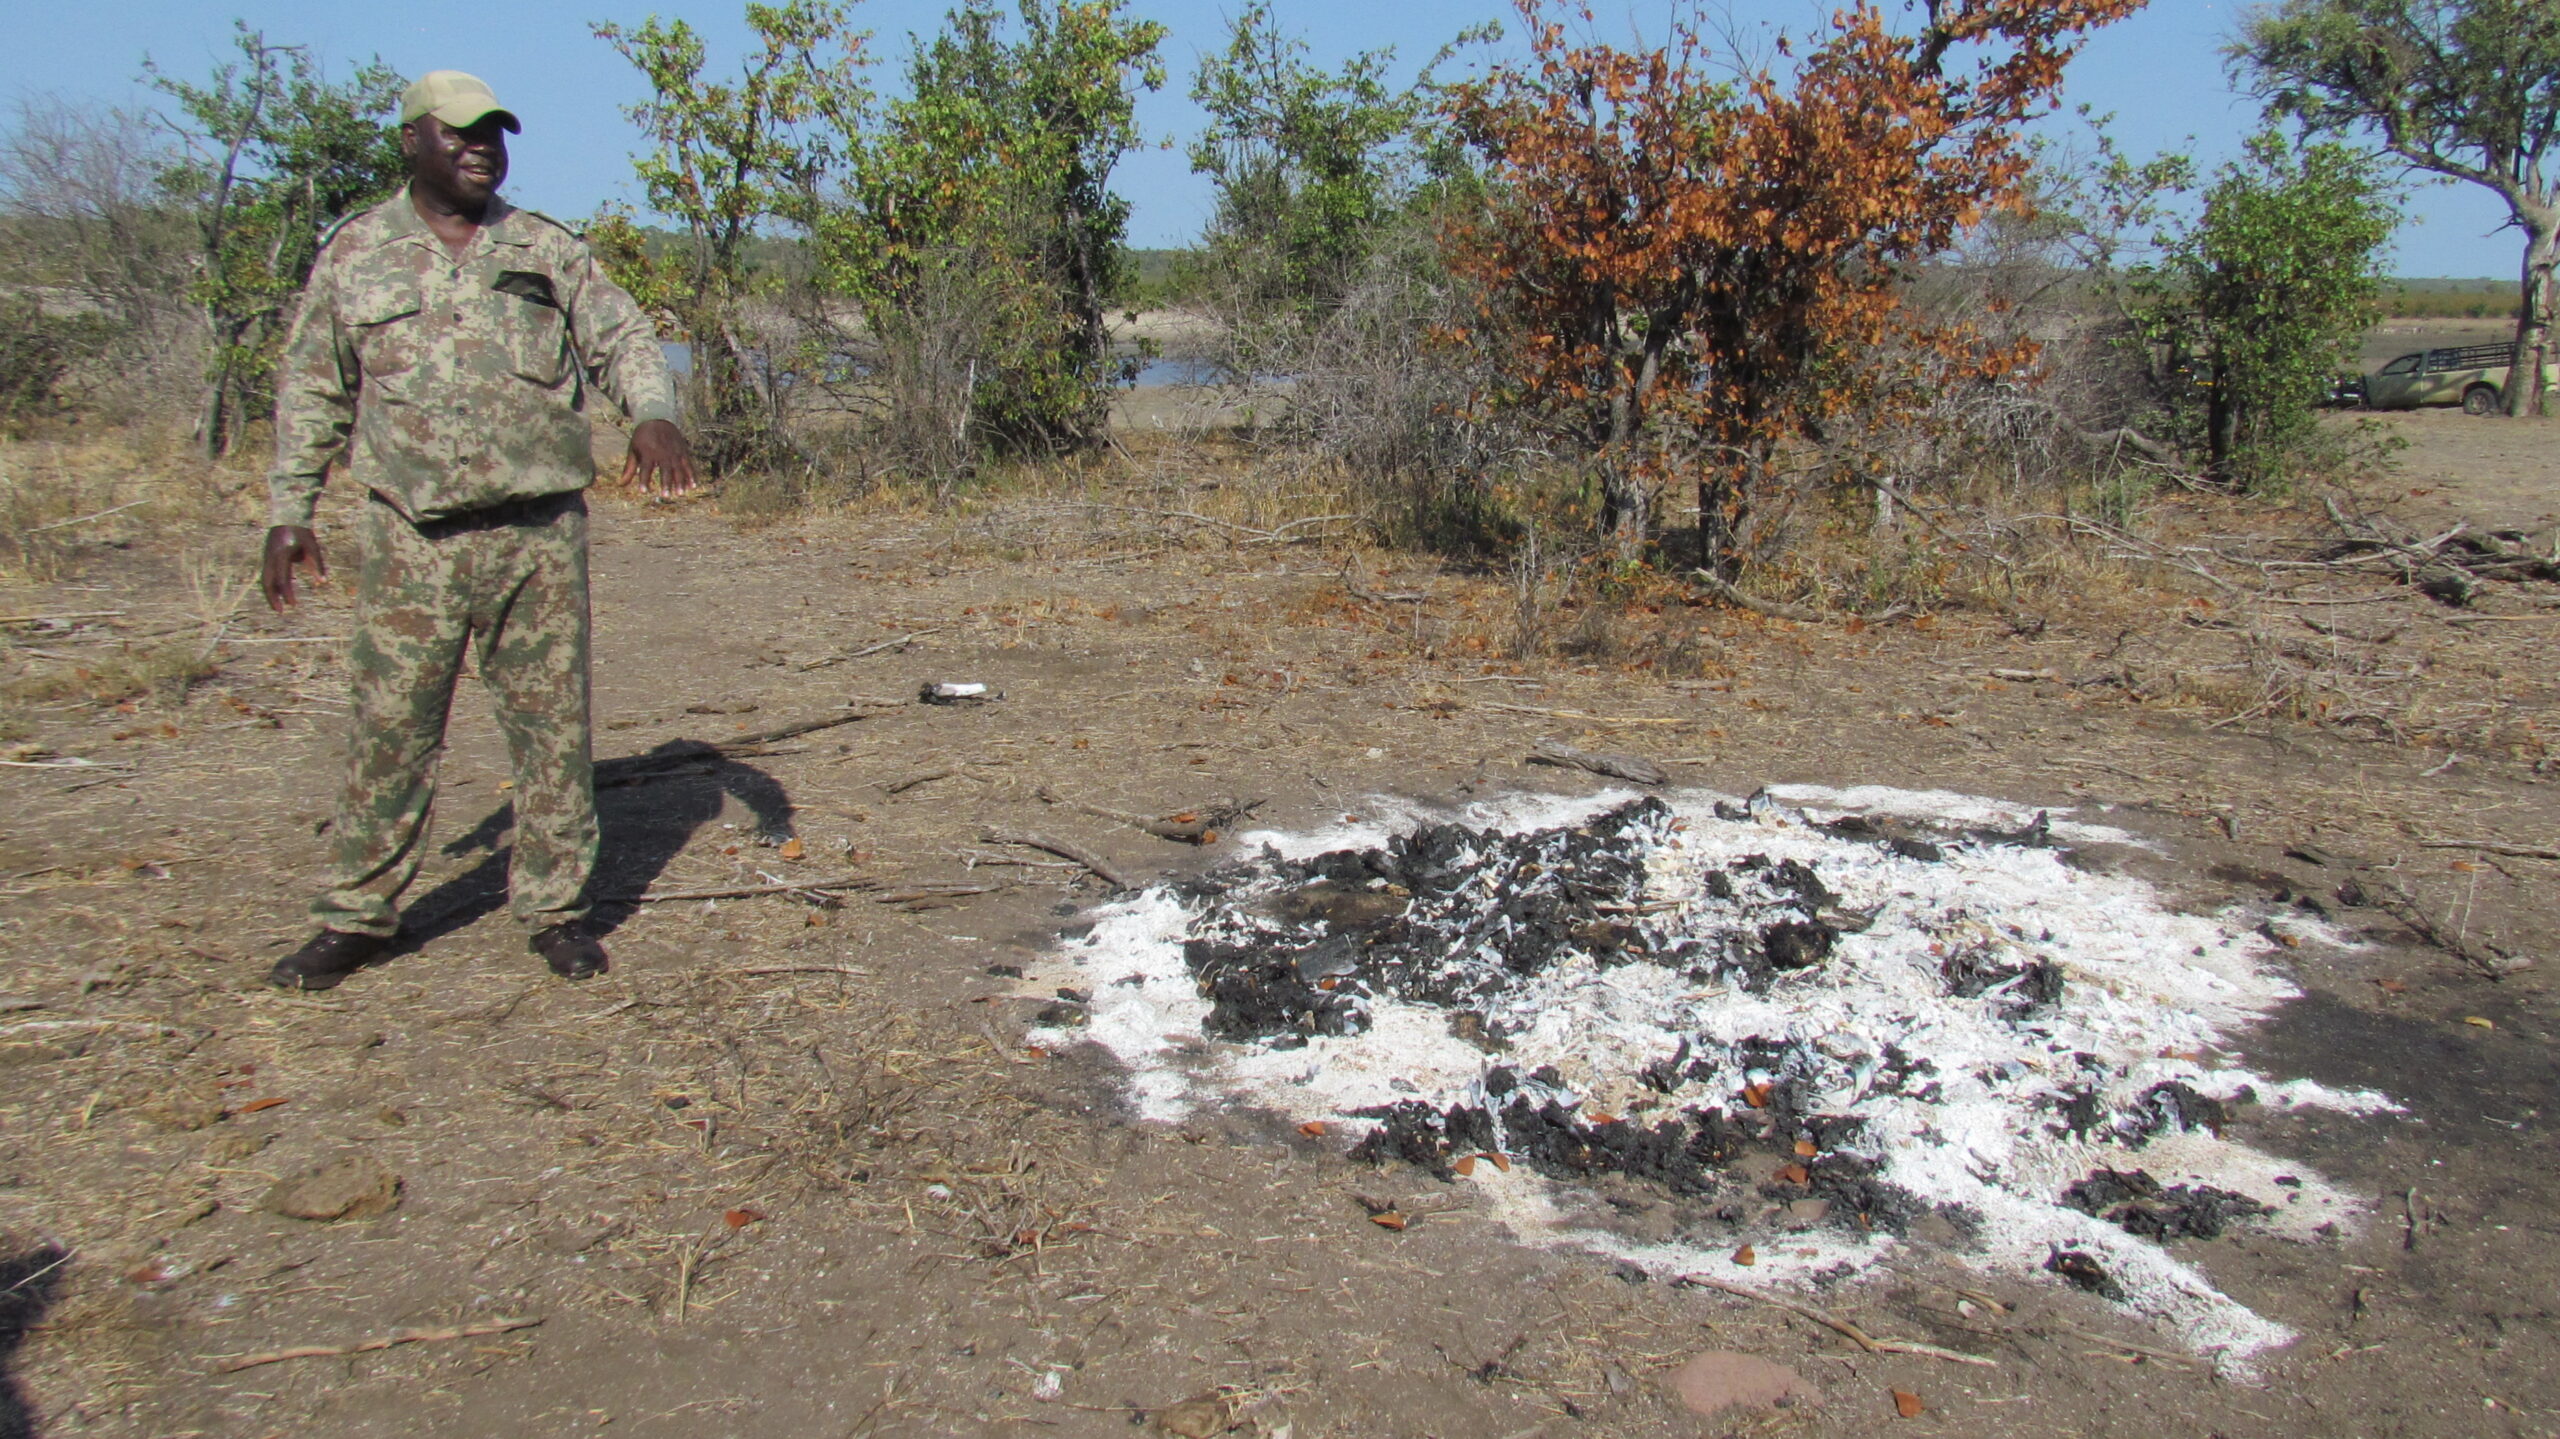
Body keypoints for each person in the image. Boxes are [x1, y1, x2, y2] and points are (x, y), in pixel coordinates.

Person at [260, 70, 697, 990]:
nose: (480, 148)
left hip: (536, 535)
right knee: (391, 730)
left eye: (494, 133)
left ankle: (557, 909)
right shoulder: (356, 253)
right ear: (412, 140)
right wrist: (288, 510)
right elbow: (312, 386)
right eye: (459, 133)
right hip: (411, 540)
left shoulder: (542, 248)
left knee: (550, 733)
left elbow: (620, 335)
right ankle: (357, 917)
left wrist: (651, 411)